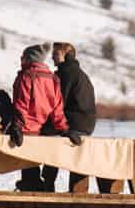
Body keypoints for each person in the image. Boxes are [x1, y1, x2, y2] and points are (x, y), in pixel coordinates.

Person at [11, 43, 68, 191]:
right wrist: (63, 128)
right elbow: (57, 109)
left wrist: (17, 125)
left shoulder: (27, 76)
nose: (20, 59)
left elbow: (21, 104)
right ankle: (38, 192)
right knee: (35, 165)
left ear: (29, 59)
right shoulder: (53, 78)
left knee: (29, 171)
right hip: (45, 130)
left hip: (27, 129)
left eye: (23, 57)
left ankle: (33, 190)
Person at [40, 42, 97, 191]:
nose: (52, 56)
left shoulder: (66, 74)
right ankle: (74, 187)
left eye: (56, 54)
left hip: (75, 123)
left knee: (46, 139)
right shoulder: (78, 72)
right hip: (86, 124)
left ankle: (45, 183)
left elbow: (58, 103)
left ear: (67, 55)